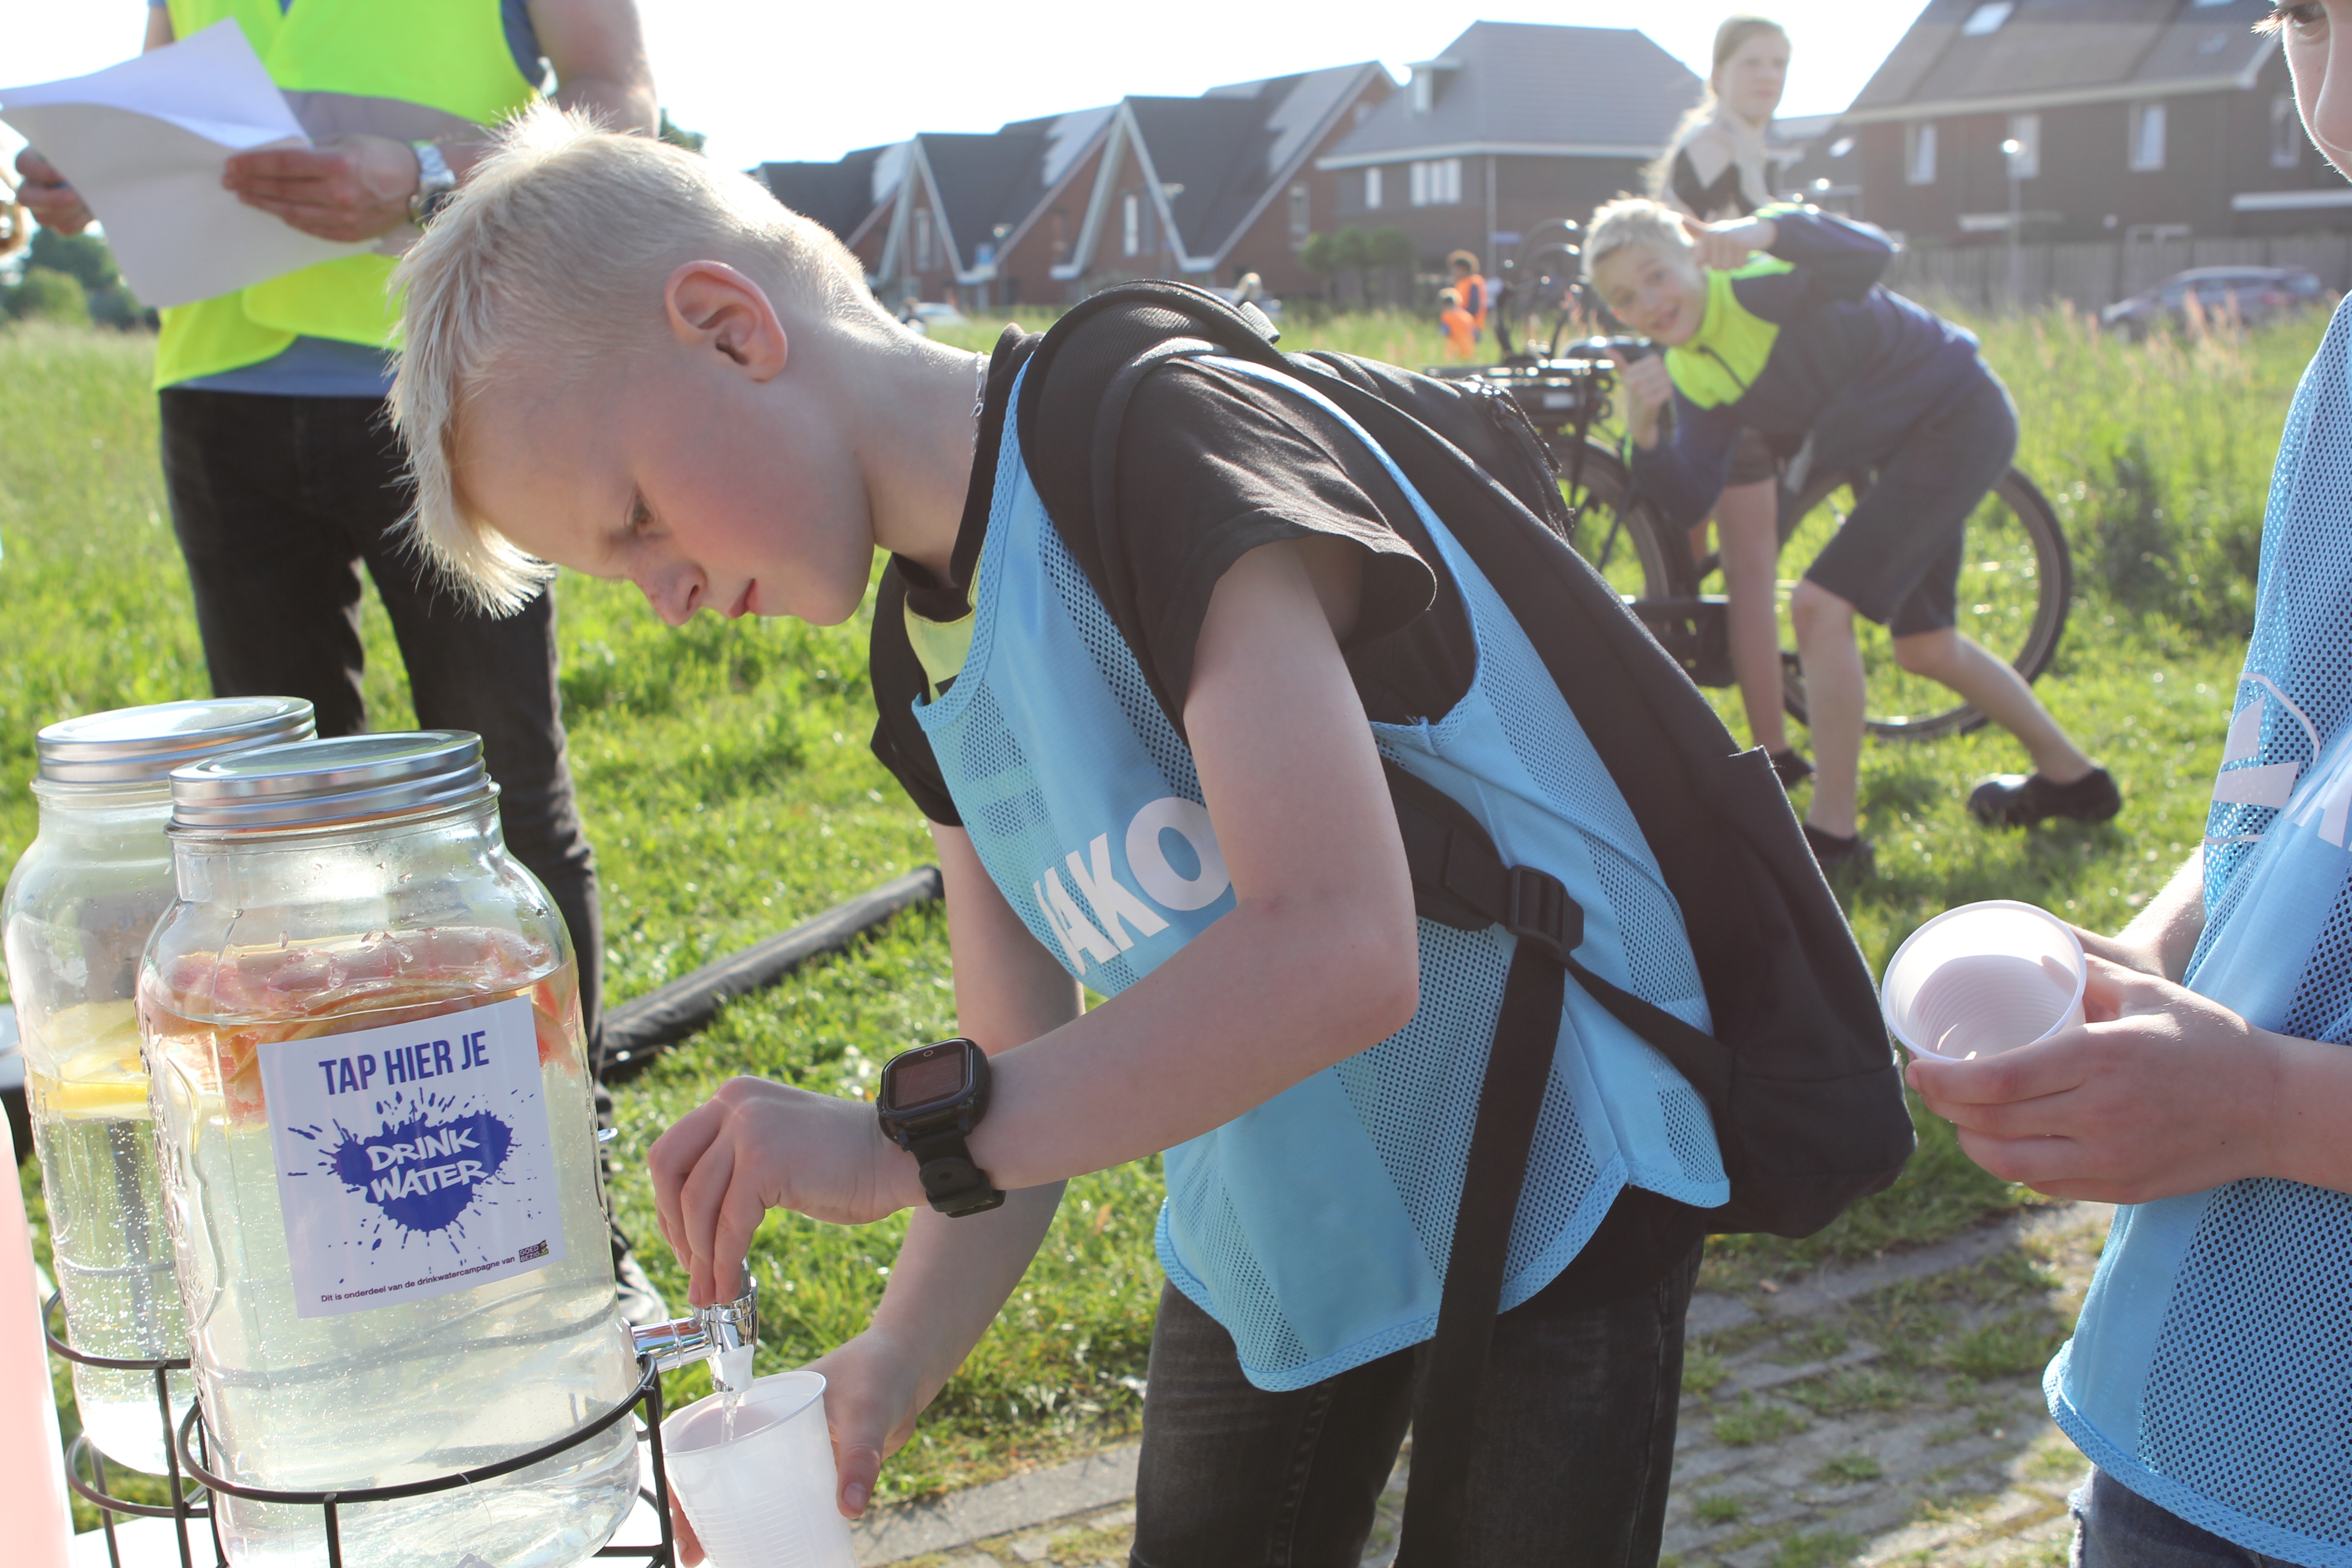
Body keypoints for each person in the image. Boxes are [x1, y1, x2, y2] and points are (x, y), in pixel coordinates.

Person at [387, 105, 1739, 1565]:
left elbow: (1345, 950)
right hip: (1280, 1231)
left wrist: (896, 1147)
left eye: (639, 517)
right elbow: (1014, 1078)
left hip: (1547, 1182)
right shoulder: (925, 660)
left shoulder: (1151, 446)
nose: (667, 592)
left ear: (729, 328)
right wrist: (893, 1361)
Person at [13, 0, 661, 1313]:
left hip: (448, 358)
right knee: (274, 848)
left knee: (503, 795)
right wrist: (90, 181)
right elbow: (162, 110)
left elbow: (619, 102)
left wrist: (424, 181)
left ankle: (564, 1180)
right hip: (220, 391)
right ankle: (349, 1215)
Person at [1913, 6, 2352, 1562]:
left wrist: (2268, 1101)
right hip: (2185, 1411)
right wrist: (2157, 952)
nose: (2334, 83)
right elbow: (2286, 768)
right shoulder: (2346, 369)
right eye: (2306, 17)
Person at [1588, 198, 2117, 873]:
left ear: (1695, 255)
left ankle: (1832, 836)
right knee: (1926, 647)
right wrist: (1645, 431)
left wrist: (1763, 231)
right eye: (1626, 299)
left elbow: (1871, 253)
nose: (1650, 304)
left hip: (1958, 416)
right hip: (1898, 454)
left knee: (1817, 606)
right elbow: (1691, 494)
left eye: (1656, 276)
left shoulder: (1760, 282)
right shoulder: (1689, 368)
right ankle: (2077, 783)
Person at [1654, 15, 1801, 781]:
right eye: (1752, 63)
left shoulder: (1739, 145)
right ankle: (1770, 751)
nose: (1767, 76)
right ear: (1717, 72)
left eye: (1779, 63)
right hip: (1719, 378)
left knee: (1731, 562)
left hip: (1714, 369)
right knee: (1749, 569)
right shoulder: (1713, 148)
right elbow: (1716, 265)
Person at [1446, 250, 1487, 342]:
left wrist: (1458, 316)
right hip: (1460, 327)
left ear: (1463, 269)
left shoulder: (1473, 283)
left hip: (1472, 328)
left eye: (1455, 269)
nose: (1453, 272)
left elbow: (1474, 307)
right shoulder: (1461, 284)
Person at [1436, 285, 1475, 359]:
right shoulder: (1467, 316)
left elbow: (1444, 332)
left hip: (1454, 352)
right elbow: (1475, 335)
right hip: (1469, 351)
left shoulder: (1447, 316)